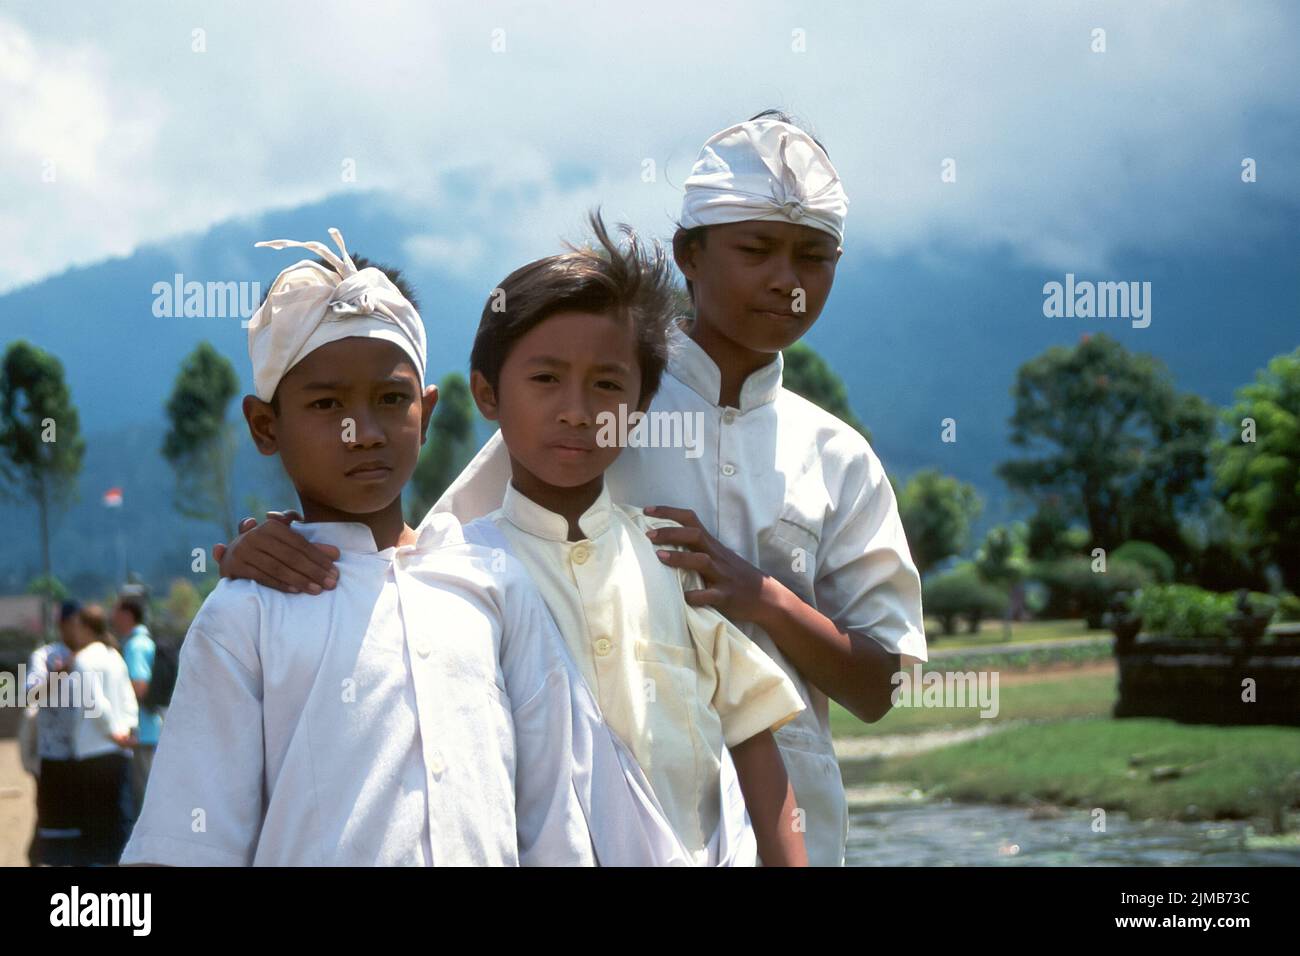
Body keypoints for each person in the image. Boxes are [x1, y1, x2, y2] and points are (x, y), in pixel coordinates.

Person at [213, 112, 929, 865]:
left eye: (814, 257)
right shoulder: (589, 401)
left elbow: (882, 688)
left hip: (797, 831)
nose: (785, 281)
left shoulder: (839, 456)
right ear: (689, 253)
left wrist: (764, 597)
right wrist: (288, 541)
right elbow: (416, 566)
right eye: (755, 249)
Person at [122, 228, 678, 867]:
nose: (364, 432)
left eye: (391, 399)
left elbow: (553, 812)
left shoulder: (493, 586)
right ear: (265, 425)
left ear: (428, 409)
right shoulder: (245, 615)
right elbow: (191, 844)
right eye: (327, 403)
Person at [67, 603, 138, 865]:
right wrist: (128, 730)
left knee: (96, 825)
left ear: (85, 627)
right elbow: (128, 697)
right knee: (121, 819)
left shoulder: (84, 660)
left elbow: (93, 704)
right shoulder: (114, 655)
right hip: (120, 751)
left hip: (94, 750)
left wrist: (112, 733)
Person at [22, 600, 83, 866]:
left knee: (80, 825)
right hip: (53, 754)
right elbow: (30, 694)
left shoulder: (95, 654)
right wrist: (58, 674)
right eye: (70, 623)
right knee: (50, 822)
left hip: (88, 755)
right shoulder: (46, 655)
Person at [113, 594, 159, 820]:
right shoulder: (146, 641)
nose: (112, 618)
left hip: (140, 732)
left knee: (142, 799)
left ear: (128, 615)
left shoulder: (135, 646)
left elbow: (139, 686)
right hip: (149, 728)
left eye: (117, 612)